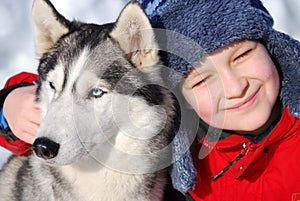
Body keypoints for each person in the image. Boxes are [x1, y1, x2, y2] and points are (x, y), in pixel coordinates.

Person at [0, 0, 299, 200]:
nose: (234, 88)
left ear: (274, 47)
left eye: (243, 54)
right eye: (201, 80)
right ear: (180, 93)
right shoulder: (184, 140)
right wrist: (8, 106)